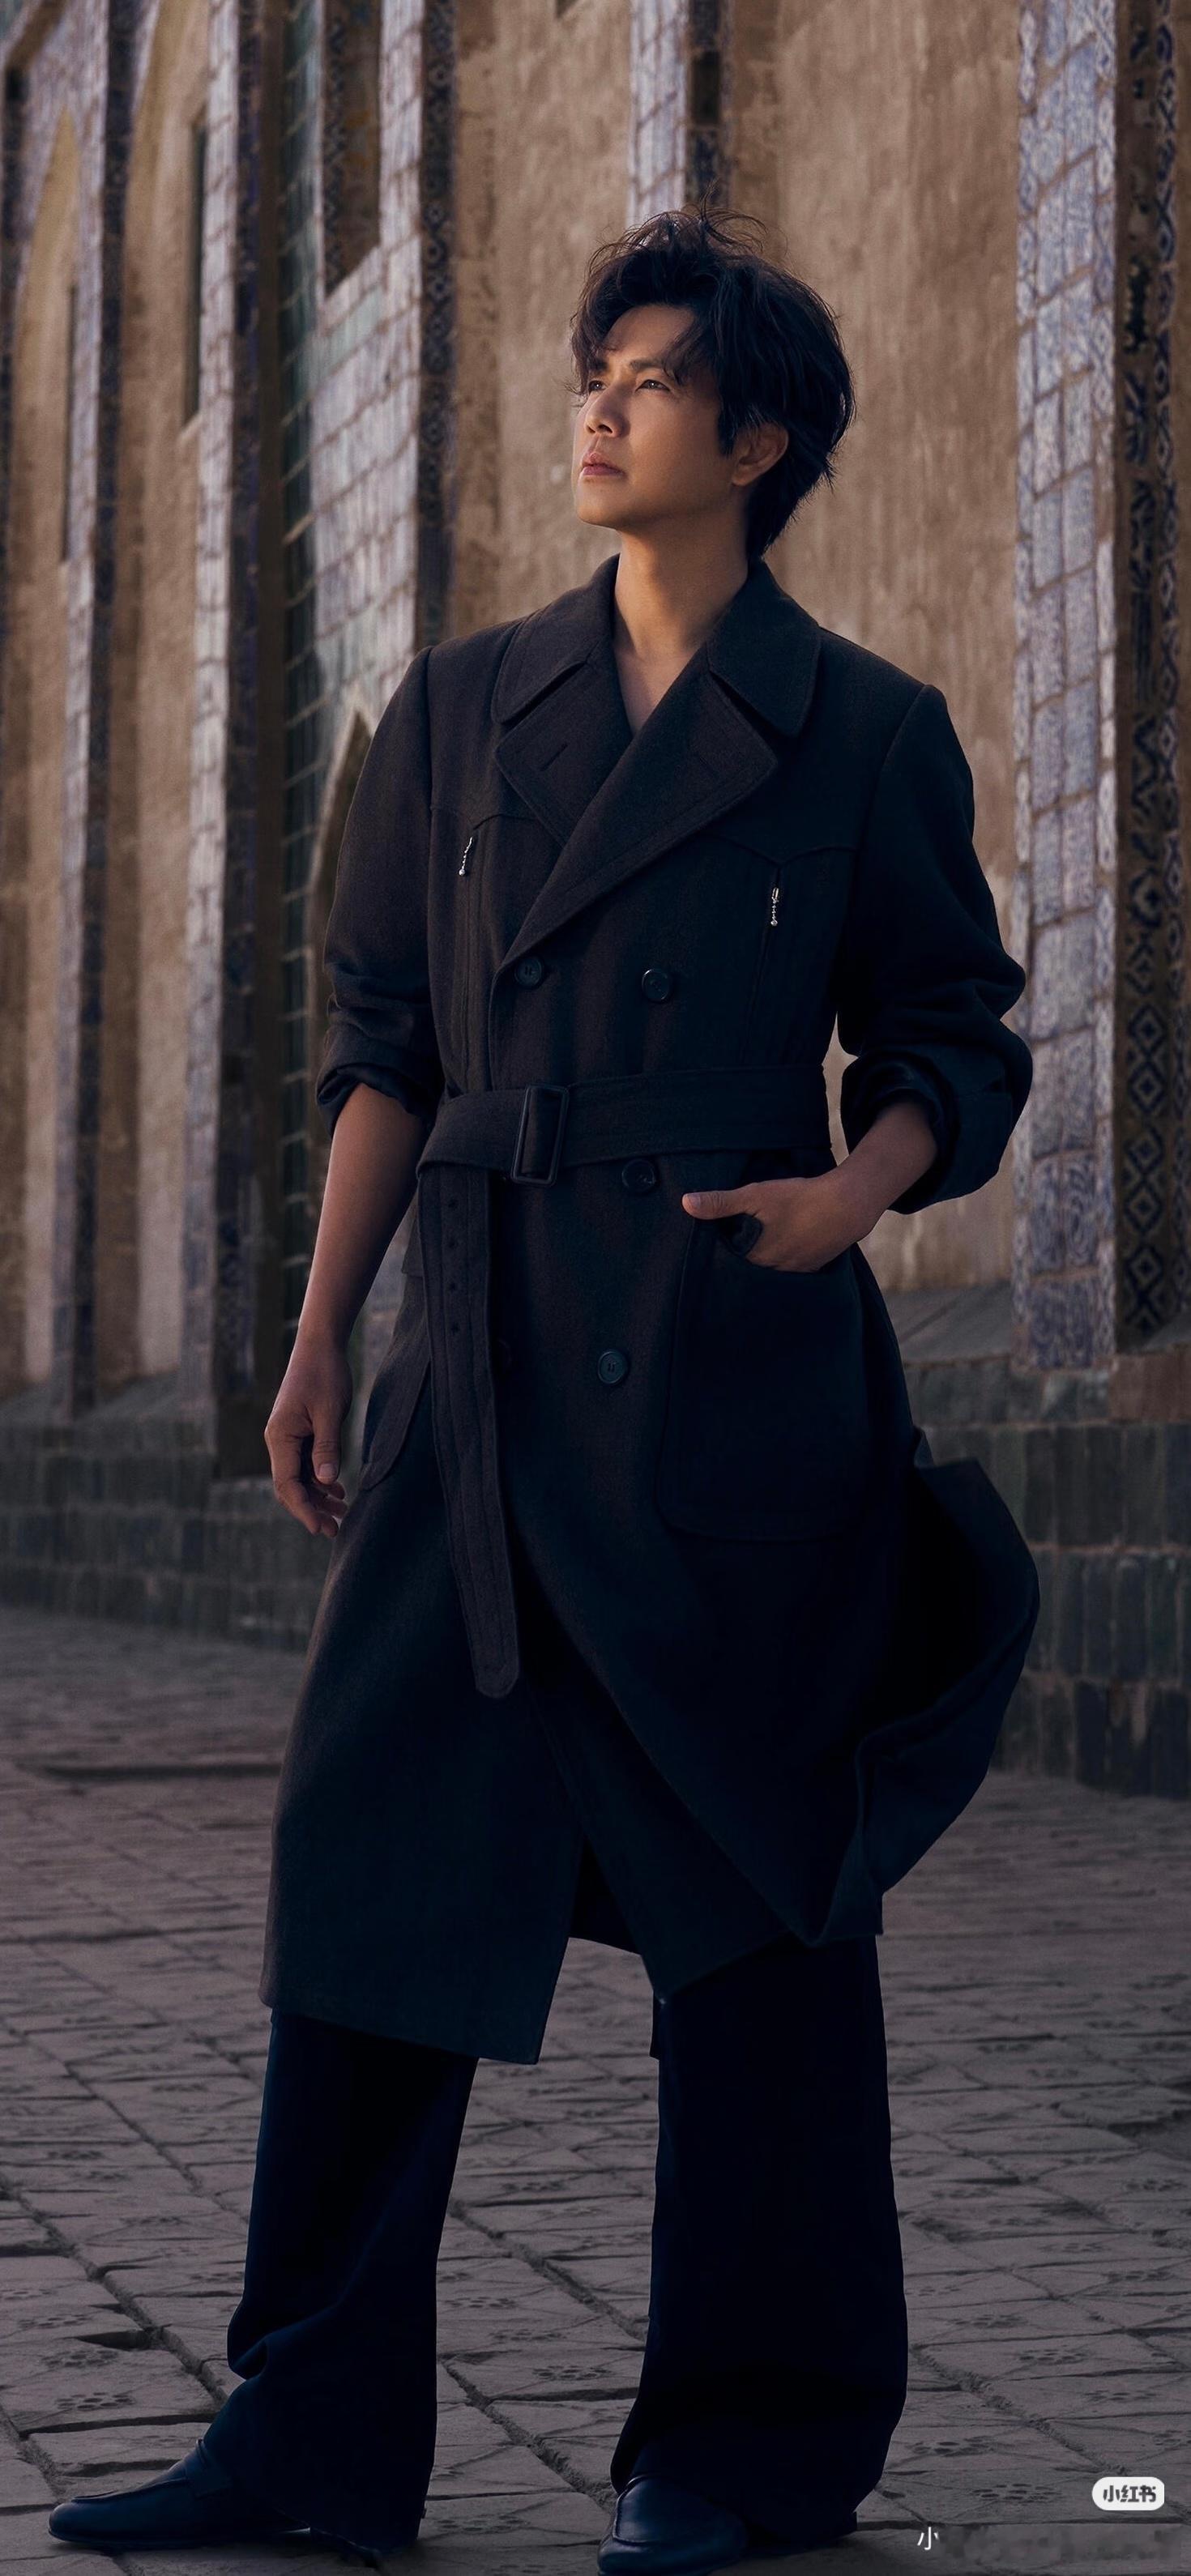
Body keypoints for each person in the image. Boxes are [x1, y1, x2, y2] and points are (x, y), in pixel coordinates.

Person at [49, 203, 1039, 2573]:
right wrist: (320, 1332)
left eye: (652, 374)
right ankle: (304, 2436)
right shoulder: (462, 709)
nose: (597, 403)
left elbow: (953, 1034)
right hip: (475, 1378)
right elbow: (387, 1046)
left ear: (758, 439)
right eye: (595, 367)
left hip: (730, 1381)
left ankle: (744, 2451)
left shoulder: (863, 729)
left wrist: (849, 1198)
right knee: (369, 1872)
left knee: (765, 1912)